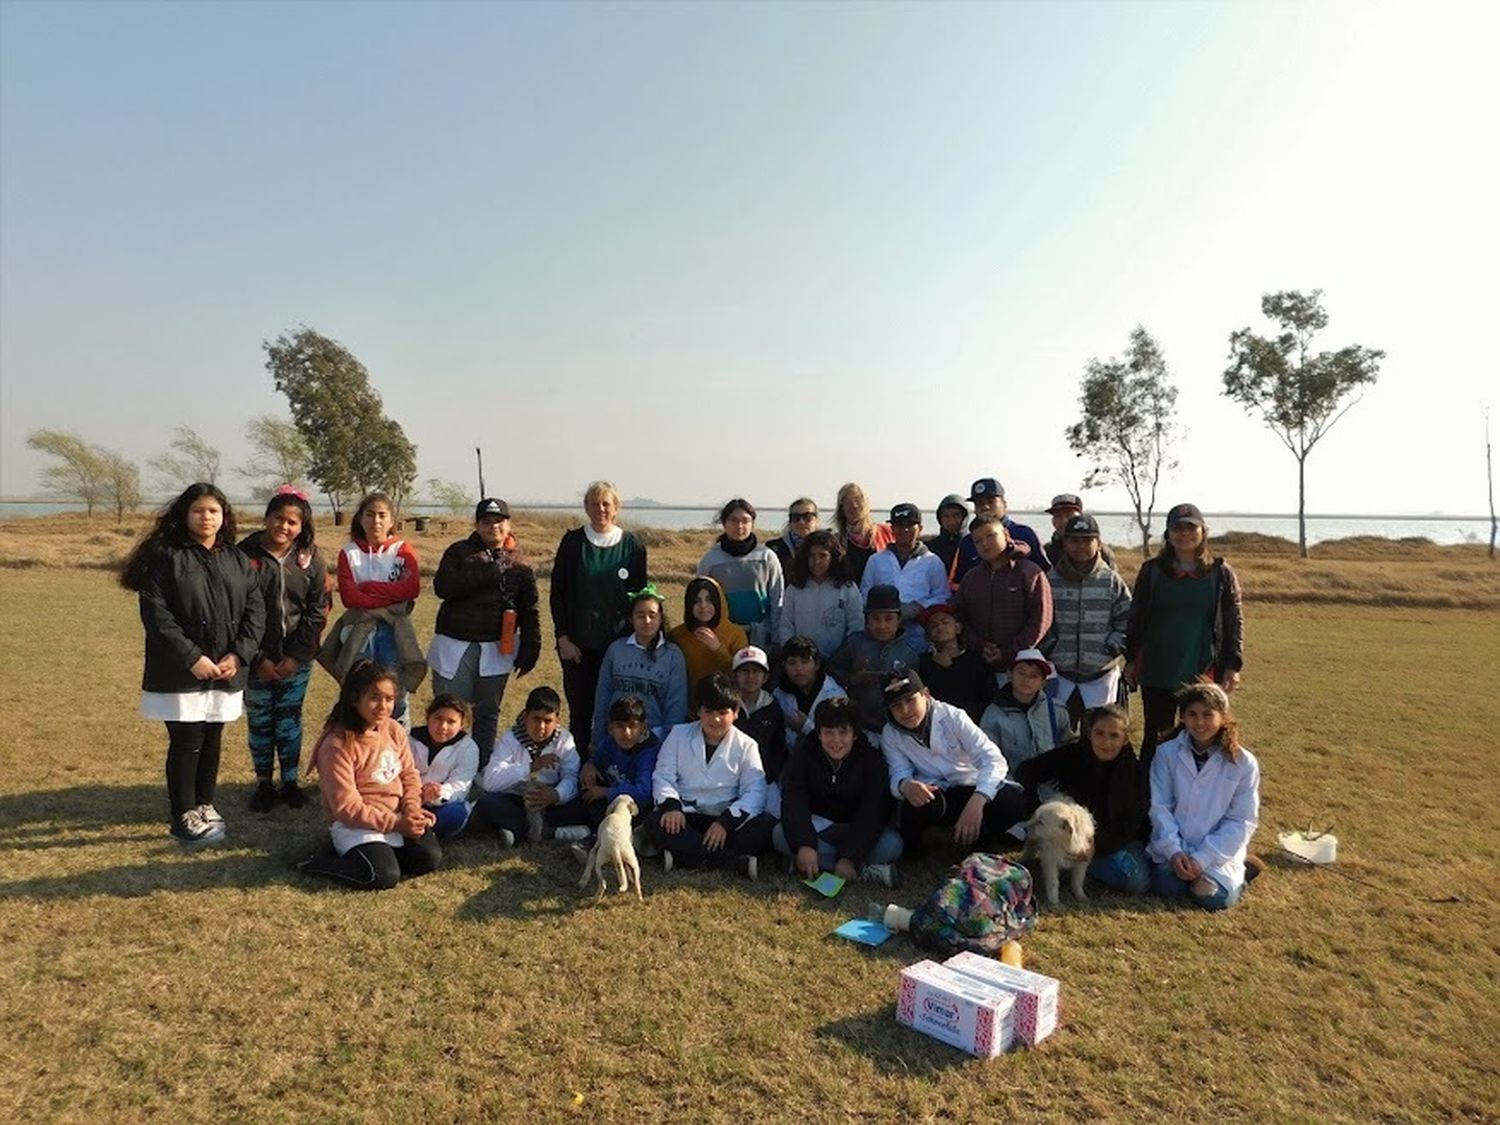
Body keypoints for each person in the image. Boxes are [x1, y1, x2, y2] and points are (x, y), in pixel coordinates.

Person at [123, 481, 265, 847]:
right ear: (185, 514)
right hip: (181, 669)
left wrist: (239, 654)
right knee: (186, 740)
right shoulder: (166, 557)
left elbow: (256, 611)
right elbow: (157, 615)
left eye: (213, 511)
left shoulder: (236, 558)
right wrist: (193, 658)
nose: (207, 517)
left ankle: (205, 803)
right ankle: (182, 813)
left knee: (213, 735)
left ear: (224, 516)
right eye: (199, 510)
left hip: (227, 668)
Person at [296, 661, 441, 890]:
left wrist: (412, 810)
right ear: (355, 699)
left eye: (389, 699)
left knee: (428, 858)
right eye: (374, 698)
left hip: (396, 816)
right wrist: (397, 824)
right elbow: (347, 807)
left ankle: (377, 854)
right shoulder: (337, 744)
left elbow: (409, 775)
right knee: (382, 876)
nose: (383, 706)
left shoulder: (393, 729)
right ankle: (317, 862)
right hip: (357, 825)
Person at [1123, 503, 1245, 760]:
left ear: (1203, 531)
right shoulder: (1153, 570)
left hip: (1202, 668)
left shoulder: (1220, 573)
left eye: (1190, 528)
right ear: (1168, 534)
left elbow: (1233, 620)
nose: (1184, 534)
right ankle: (1149, 797)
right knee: (1156, 739)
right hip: (1157, 668)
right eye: (1177, 528)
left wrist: (1233, 665)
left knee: (1202, 735)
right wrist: (1131, 659)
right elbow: (1137, 617)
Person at [428, 498, 541, 767]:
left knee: (488, 713)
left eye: (499, 521)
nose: (493, 527)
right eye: (487, 522)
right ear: (477, 525)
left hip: (496, 648)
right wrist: (486, 571)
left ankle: (481, 767)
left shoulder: (520, 563)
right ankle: (445, 767)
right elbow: (443, 587)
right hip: (456, 645)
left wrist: (531, 647)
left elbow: (530, 609)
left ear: (508, 524)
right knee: (451, 711)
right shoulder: (459, 552)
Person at [238, 486, 329, 812]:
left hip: (296, 660)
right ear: (267, 518)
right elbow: (236, 611)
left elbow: (318, 610)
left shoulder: (311, 559)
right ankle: (264, 783)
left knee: (288, 721)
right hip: (255, 660)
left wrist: (296, 656)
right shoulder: (242, 555)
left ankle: (291, 782)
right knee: (260, 721)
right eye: (278, 518)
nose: (284, 526)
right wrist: (259, 657)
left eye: (293, 522)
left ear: (301, 527)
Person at [879, 668, 1027, 857]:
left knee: (1012, 802)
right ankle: (916, 851)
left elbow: (992, 759)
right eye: (896, 705)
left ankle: (982, 838)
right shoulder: (890, 733)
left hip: (970, 786)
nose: (905, 711)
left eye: (910, 700)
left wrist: (979, 799)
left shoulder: (953, 716)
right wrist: (904, 785)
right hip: (935, 793)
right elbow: (898, 771)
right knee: (913, 804)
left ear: (926, 694)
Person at [550, 481, 648, 752]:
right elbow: (557, 593)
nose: (600, 509)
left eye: (606, 503)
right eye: (595, 503)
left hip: (619, 645)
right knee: (581, 712)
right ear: (587, 507)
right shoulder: (573, 542)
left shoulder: (632, 545)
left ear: (616, 508)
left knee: (619, 711)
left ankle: (615, 769)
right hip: (578, 646)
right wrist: (563, 638)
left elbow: (641, 596)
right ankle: (579, 771)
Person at [1147, 681, 1261, 911]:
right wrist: (1174, 850)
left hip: (1216, 853)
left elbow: (1242, 820)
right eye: (1192, 715)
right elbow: (1160, 807)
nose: (1199, 723)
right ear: (1183, 717)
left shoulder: (1242, 762)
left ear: (1223, 717)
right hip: (1175, 850)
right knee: (1168, 887)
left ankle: (1240, 877)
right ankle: (1188, 872)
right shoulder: (1167, 752)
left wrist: (1203, 858)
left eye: (1208, 715)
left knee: (1210, 897)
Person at [1014, 704, 1150, 894]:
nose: (1106, 742)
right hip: (1070, 834)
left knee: (1138, 883)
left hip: (1114, 837)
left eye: (1114, 736)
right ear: (1089, 733)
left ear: (1125, 738)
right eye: (1099, 733)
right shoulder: (1071, 755)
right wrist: (1040, 812)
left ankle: (1080, 866)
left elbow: (1132, 820)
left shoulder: (1136, 771)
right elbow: (1025, 771)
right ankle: (1064, 861)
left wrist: (1098, 844)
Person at [649, 674, 774, 878]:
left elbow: (755, 791)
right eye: (708, 712)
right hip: (686, 815)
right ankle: (731, 862)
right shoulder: (678, 735)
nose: (715, 719)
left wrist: (725, 823)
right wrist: (672, 807)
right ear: (698, 711)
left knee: (765, 825)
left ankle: (684, 857)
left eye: (722, 712)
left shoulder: (747, 745)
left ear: (735, 712)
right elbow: (663, 776)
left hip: (725, 817)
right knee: (655, 821)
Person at [773, 697, 902, 887]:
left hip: (855, 828)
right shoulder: (803, 755)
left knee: (892, 844)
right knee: (779, 834)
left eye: (843, 733)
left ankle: (822, 865)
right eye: (828, 732)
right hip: (817, 829)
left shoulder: (871, 760)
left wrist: (849, 856)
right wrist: (805, 844)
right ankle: (861, 870)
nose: (836, 741)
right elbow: (793, 800)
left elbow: (873, 811)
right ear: (818, 733)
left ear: (855, 734)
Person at [334, 491, 422, 726]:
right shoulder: (349, 553)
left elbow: (411, 588)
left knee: (396, 695)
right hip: (358, 633)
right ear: (361, 518)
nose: (376, 521)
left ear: (392, 520)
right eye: (370, 514)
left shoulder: (402, 550)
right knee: (358, 693)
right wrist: (387, 600)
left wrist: (370, 587)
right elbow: (349, 597)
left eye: (382, 515)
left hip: (394, 632)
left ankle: (398, 752)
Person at [1044, 513, 1131, 727]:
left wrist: (1112, 646)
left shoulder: (1111, 580)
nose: (1080, 546)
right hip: (1061, 675)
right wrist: (1051, 646)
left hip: (1100, 676)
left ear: (1099, 543)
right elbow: (1041, 620)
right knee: (1061, 736)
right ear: (1065, 543)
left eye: (1087, 540)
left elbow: (1127, 620)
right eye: (1074, 540)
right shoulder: (1050, 580)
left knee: (1100, 736)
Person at [473, 685, 587, 845]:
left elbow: (571, 776)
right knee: (488, 802)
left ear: (557, 720)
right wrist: (531, 767)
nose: (541, 727)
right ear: (526, 716)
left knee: (583, 803)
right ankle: (549, 833)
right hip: (517, 797)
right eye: (536, 719)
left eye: (547, 721)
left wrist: (556, 794)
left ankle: (518, 832)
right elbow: (490, 782)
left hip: (551, 801)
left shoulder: (564, 740)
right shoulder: (511, 738)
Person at [954, 514, 1052, 675]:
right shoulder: (971, 578)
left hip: (1022, 667)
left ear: (1006, 535)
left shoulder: (1030, 572)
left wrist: (1010, 651)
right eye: (978, 541)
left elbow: (1041, 619)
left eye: (990, 536)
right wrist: (978, 644)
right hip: (979, 663)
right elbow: (959, 616)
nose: (985, 544)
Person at [592, 586, 688, 749]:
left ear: (660, 618)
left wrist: (667, 746)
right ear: (631, 618)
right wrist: (599, 741)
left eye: (652, 615)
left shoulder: (673, 655)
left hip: (654, 738)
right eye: (640, 616)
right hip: (618, 735)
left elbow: (676, 706)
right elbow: (603, 696)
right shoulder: (616, 649)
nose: (647, 621)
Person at [827, 584, 926, 733]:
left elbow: (914, 695)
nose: (882, 625)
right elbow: (832, 669)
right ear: (867, 620)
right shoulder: (855, 644)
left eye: (889, 619)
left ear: (899, 619)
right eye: (876, 619)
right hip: (858, 725)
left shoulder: (908, 654)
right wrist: (852, 679)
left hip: (895, 729)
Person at [858, 502, 950, 651]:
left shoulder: (933, 562)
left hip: (919, 641)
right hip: (881, 641)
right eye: (899, 525)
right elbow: (864, 594)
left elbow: (942, 597)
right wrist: (883, 612)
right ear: (892, 529)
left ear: (920, 529)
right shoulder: (876, 560)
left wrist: (918, 608)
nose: (905, 529)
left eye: (910, 525)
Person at [696, 498, 784, 649]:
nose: (739, 526)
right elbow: (700, 600)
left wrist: (776, 637)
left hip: (762, 636)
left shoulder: (766, 556)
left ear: (752, 524)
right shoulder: (710, 559)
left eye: (745, 520)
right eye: (733, 520)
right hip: (723, 637)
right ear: (724, 523)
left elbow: (778, 598)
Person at [576, 695, 660, 838]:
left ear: (643, 727)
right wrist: (589, 766)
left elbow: (644, 793)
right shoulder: (610, 742)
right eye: (620, 726)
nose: (626, 733)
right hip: (609, 798)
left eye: (632, 726)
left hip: (635, 808)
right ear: (611, 728)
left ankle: (597, 838)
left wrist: (607, 792)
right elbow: (597, 760)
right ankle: (583, 831)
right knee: (580, 797)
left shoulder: (648, 752)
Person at [774, 529, 863, 660]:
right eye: (812, 556)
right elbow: (786, 626)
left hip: (838, 661)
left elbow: (856, 627)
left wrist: (843, 658)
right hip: (802, 662)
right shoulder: (794, 589)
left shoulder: (847, 588)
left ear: (833, 557)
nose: (816, 562)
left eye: (823, 556)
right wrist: (794, 656)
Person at [980, 648, 1071, 771]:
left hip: (1051, 786)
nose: (1026, 680)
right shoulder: (993, 714)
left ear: (1043, 683)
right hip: (1011, 785)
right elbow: (988, 758)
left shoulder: (1057, 711)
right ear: (1010, 675)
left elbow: (1068, 750)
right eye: (1021, 673)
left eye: (1034, 675)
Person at [408, 693, 479, 838]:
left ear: (462, 724)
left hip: (443, 804)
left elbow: (460, 786)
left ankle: (425, 826)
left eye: (451, 721)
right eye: (438, 718)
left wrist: (438, 793)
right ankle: (414, 825)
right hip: (410, 798)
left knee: (456, 814)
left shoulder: (468, 748)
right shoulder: (410, 739)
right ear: (428, 716)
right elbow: (402, 771)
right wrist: (418, 794)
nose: (442, 726)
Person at [952, 477, 1046, 583]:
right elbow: (961, 581)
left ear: (1004, 504)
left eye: (991, 501)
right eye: (979, 503)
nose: (985, 507)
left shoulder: (1024, 534)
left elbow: (1042, 573)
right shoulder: (969, 541)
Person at [917, 602, 994, 725]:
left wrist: (950, 669)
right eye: (933, 625)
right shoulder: (922, 663)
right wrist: (941, 669)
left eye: (945, 622)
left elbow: (989, 699)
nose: (940, 627)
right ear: (928, 636)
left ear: (958, 628)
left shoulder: (976, 660)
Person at [668, 576, 747, 694]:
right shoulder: (677, 635)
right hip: (688, 706)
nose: (703, 605)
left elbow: (743, 674)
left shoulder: (736, 633)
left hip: (724, 705)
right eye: (697, 600)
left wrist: (717, 649)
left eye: (709, 599)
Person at [771, 635, 847, 755]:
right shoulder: (778, 694)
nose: (798, 668)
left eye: (805, 662)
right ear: (784, 666)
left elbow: (841, 741)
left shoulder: (835, 695)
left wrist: (806, 727)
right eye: (792, 663)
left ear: (817, 664)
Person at [730, 645, 788, 790]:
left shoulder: (773, 708)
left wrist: (767, 776)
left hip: (764, 780)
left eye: (756, 671)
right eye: (744, 671)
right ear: (735, 676)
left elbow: (778, 750)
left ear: (765, 677)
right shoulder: (726, 707)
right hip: (728, 780)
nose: (750, 677)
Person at [833, 482, 893, 585]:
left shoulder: (886, 531)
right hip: (851, 596)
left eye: (858, 500)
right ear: (841, 508)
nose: (854, 506)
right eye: (848, 502)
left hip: (882, 595)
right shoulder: (836, 540)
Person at [1042, 493, 1116, 570]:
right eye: (1058, 516)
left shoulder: (1100, 551)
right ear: (1053, 521)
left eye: (1069, 515)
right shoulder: (1045, 552)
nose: (1063, 520)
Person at [924, 493, 969, 584]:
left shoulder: (972, 545)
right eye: (946, 516)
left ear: (964, 517)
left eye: (956, 515)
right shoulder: (930, 547)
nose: (951, 521)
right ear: (940, 519)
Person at [766, 498, 820, 570]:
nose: (801, 522)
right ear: (790, 521)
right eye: (796, 517)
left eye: (807, 517)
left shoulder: (827, 547)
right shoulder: (774, 548)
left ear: (817, 520)